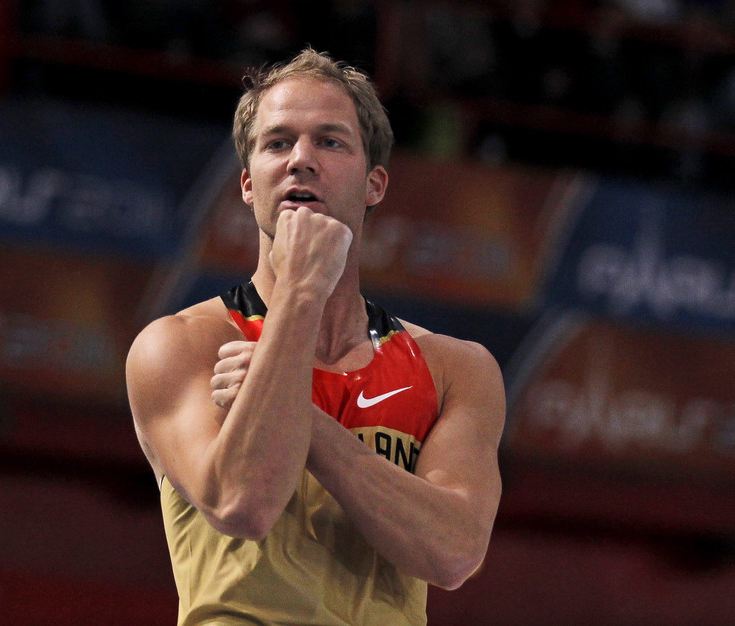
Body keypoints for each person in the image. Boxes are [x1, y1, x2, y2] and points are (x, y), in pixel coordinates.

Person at [125, 47, 505, 625]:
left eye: (330, 142)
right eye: (278, 143)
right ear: (249, 185)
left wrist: (304, 421)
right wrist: (302, 287)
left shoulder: (456, 369)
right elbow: (242, 505)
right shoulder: (180, 346)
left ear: (375, 184)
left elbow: (453, 552)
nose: (301, 160)